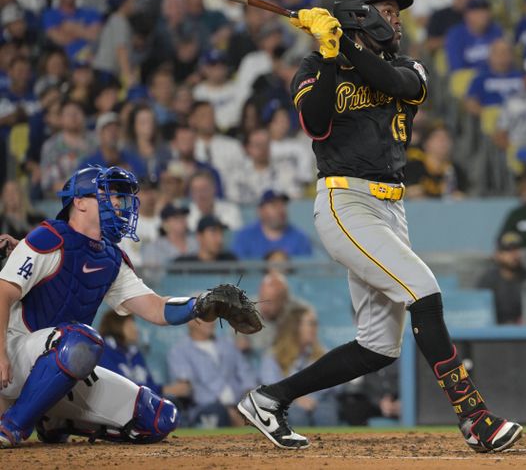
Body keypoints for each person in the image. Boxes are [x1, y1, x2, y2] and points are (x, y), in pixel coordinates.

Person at [236, 0, 523, 453]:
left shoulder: (409, 67)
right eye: (386, 11)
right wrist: (329, 54)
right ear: (359, 14)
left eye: (396, 12)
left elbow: (395, 84)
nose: (396, 20)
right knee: (424, 290)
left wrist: (341, 47)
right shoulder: (314, 65)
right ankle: (475, 418)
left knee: (378, 346)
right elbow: (315, 122)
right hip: (345, 202)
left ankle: (269, 399)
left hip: (391, 206)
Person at [0, 165, 252, 447]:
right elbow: (3, 293)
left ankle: (53, 418)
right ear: (80, 202)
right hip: (13, 353)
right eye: (108, 194)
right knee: (82, 341)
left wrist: (201, 304)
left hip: (58, 358)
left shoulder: (111, 258)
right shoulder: (48, 237)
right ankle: (10, 427)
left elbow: (156, 308)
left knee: (158, 418)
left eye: (120, 196)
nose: (118, 202)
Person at [168, 319, 255, 428]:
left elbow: (246, 374)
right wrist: (226, 409)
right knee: (218, 412)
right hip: (205, 409)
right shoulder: (179, 351)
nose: (211, 321)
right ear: (190, 321)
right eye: (205, 317)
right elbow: (186, 388)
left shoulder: (228, 345)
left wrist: (248, 403)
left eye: (212, 317)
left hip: (240, 406)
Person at [259, 306, 338, 427]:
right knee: (296, 414)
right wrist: (296, 399)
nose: (315, 328)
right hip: (287, 403)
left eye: (315, 324)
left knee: (325, 413)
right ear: (295, 327)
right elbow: (270, 385)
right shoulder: (274, 356)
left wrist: (312, 397)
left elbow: (336, 382)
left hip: (319, 401)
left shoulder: (322, 353)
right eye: (311, 324)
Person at [240, 272, 308, 359]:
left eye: (269, 303)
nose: (264, 307)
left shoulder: (300, 313)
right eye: (261, 298)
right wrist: (240, 340)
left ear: (284, 300)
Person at [232, 189, 312, 260]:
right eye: (274, 205)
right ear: (260, 211)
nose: (280, 210)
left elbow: (304, 272)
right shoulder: (245, 236)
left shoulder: (299, 238)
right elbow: (238, 269)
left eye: (283, 205)